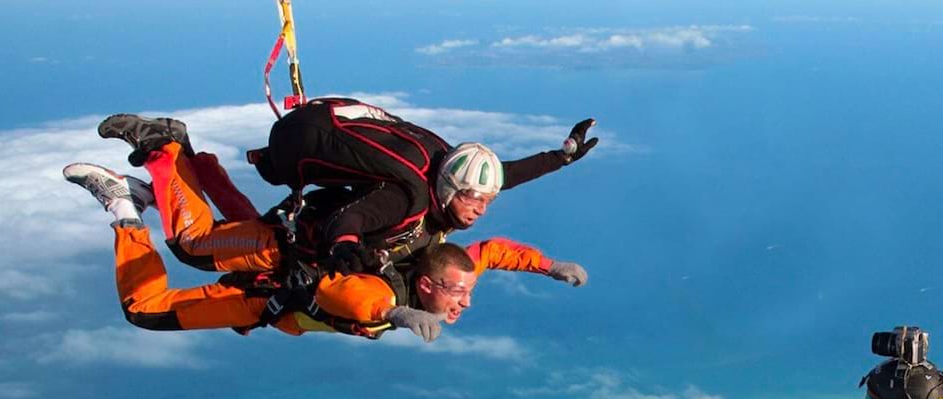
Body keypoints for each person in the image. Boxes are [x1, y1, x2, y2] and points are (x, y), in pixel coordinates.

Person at [63, 162, 572, 342]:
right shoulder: (386, 288)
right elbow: (346, 294)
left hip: (274, 285)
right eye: (459, 294)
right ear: (425, 286)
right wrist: (392, 313)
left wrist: (549, 267)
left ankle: (185, 159)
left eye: (465, 294)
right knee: (160, 292)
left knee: (224, 230)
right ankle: (130, 201)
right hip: (269, 282)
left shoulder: (438, 257)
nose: (465, 302)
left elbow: (491, 251)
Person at [96, 99, 597, 276]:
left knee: (241, 223)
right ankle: (164, 147)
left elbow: (512, 172)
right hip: (300, 240)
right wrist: (345, 246)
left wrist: (564, 156)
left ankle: (191, 158)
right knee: (194, 247)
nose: (479, 209)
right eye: (472, 199)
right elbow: (352, 220)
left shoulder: (452, 177)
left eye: (484, 200)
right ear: (447, 189)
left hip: (294, 233)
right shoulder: (410, 198)